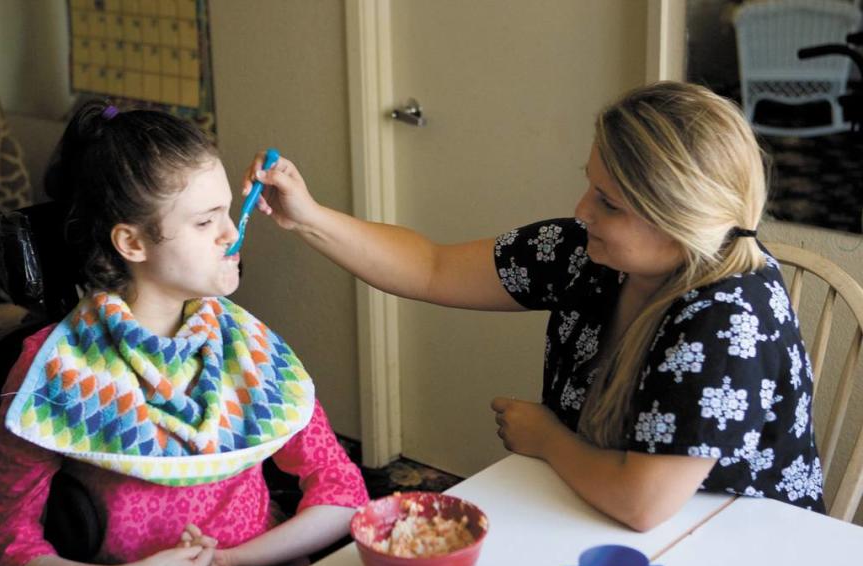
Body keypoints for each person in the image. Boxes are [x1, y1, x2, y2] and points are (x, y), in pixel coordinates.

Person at [243, 81, 824, 532]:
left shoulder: (728, 318)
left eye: (609, 203)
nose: (582, 210)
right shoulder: (587, 255)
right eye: (589, 185)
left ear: (680, 221)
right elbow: (431, 267)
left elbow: (643, 503)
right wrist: (309, 217)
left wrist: (547, 438)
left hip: (742, 548)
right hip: (601, 518)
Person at [0, 101, 368, 566]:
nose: (231, 234)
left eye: (228, 210)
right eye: (205, 220)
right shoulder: (54, 370)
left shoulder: (246, 347)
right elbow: (9, 554)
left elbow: (343, 493)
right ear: (132, 242)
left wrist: (230, 562)